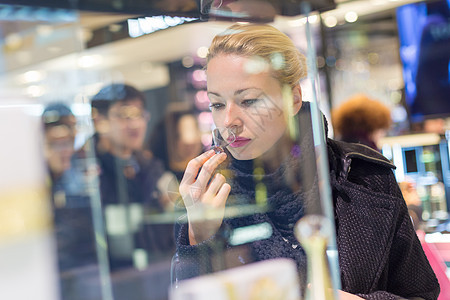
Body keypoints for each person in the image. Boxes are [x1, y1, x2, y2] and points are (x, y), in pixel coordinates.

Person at [174, 24, 440, 300]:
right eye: (217, 104)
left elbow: (422, 294)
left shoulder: (363, 175)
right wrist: (199, 236)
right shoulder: (207, 195)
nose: (229, 121)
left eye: (249, 100)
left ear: (294, 98)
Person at [83, 83, 176, 272]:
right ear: (100, 122)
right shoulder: (85, 171)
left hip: (156, 273)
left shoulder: (149, 166)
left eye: (139, 115)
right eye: (124, 116)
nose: (135, 124)